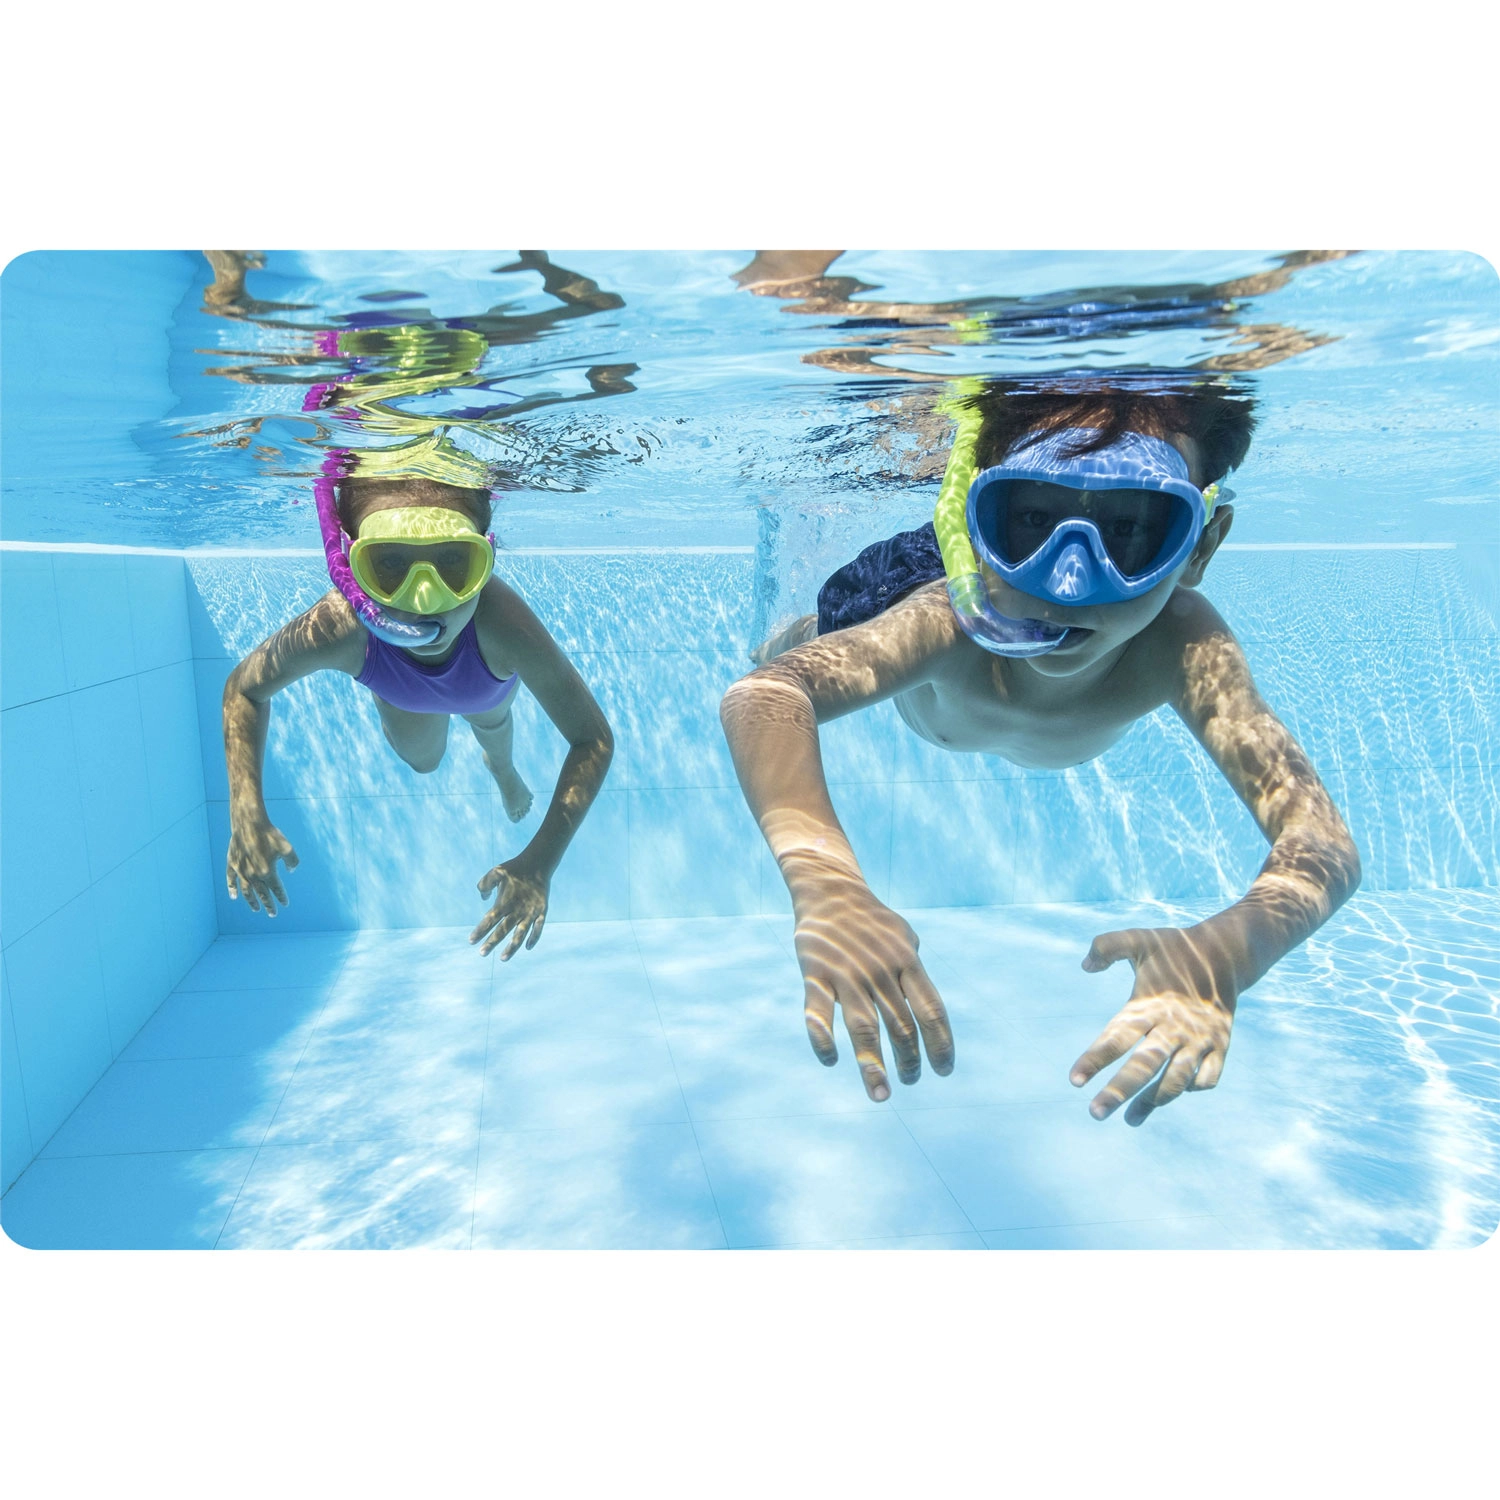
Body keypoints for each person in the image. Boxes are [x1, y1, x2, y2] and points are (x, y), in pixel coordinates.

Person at [720, 377, 1362, 1124]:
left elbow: (1322, 842)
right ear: (978, 523)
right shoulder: (943, 623)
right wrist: (827, 884)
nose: (1069, 580)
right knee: (802, 641)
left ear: (1200, 546)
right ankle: (810, 611)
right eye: (1031, 518)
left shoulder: (1182, 646)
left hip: (984, 583)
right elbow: (764, 695)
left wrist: (1229, 951)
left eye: (1129, 530)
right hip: (916, 586)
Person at [222, 463, 614, 959]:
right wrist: (246, 810)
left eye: (453, 560)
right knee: (425, 761)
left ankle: (502, 770)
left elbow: (592, 739)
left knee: (493, 728)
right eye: (389, 563)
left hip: (482, 687)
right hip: (404, 694)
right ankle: (486, 751)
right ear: (350, 566)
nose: (425, 599)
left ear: (487, 557)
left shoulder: (503, 625)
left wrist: (541, 861)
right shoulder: (340, 627)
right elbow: (244, 689)